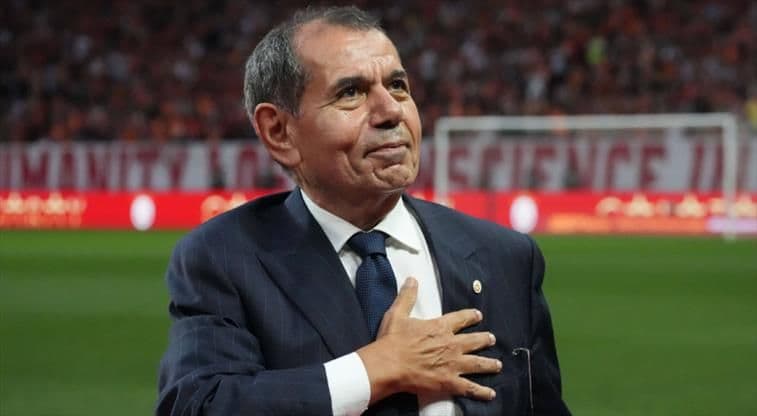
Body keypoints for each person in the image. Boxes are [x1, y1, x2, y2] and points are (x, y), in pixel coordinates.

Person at [157, 6, 570, 416]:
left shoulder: (506, 258)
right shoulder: (225, 258)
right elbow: (199, 406)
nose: (391, 111)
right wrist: (373, 370)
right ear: (280, 132)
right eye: (350, 92)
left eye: (398, 86)